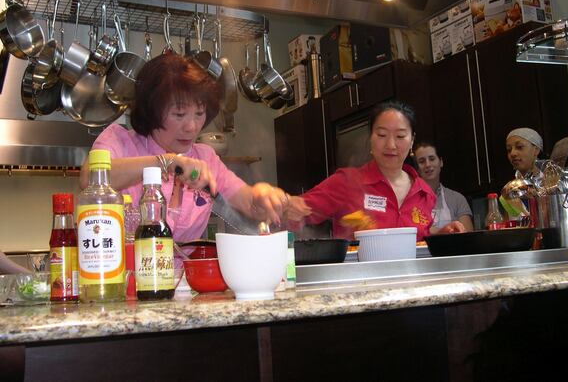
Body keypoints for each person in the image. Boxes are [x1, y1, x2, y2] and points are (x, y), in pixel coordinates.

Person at [80, 54, 290, 259]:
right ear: (151, 110)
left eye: (199, 114)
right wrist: (167, 162)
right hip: (122, 281)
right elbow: (89, 178)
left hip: (182, 286)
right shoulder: (119, 140)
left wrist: (261, 196)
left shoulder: (205, 158)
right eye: (179, 115)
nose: (191, 127)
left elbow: (245, 200)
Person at [285, 101, 465, 241]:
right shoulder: (347, 182)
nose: (391, 145)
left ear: (411, 141)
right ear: (370, 138)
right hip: (360, 284)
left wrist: (440, 235)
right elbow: (294, 212)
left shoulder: (425, 194)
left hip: (410, 283)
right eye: (381, 135)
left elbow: (418, 236)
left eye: (400, 136)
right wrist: (276, 202)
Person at [413, 142, 474, 232]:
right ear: (417, 168)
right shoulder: (411, 200)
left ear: (441, 162)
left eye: (432, 159)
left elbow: (468, 235)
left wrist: (432, 231)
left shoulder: (457, 199)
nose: (428, 164)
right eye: (422, 161)